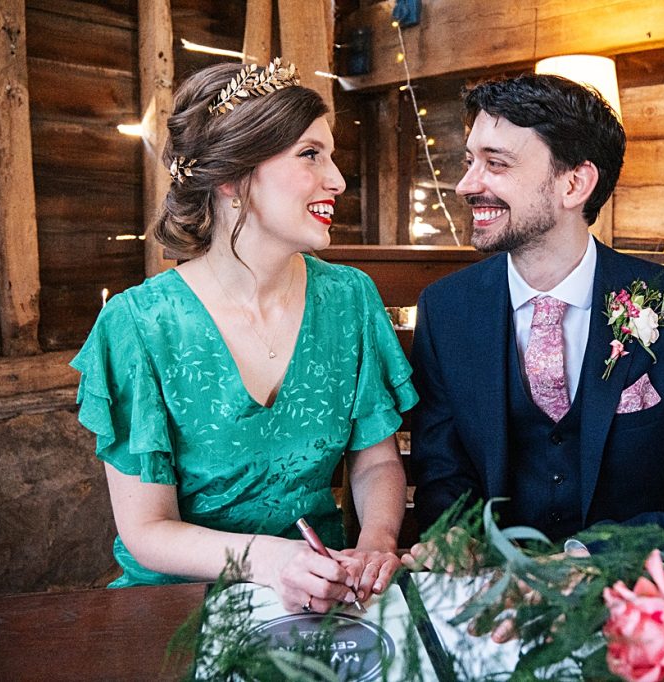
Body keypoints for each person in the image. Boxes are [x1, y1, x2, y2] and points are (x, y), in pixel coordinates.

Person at [71, 59, 417, 613]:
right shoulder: (139, 326)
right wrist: (274, 561)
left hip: (323, 594)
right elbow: (147, 529)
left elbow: (375, 461)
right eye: (310, 155)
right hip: (178, 607)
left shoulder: (350, 299)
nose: (338, 180)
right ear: (232, 177)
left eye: (331, 155)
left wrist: (375, 546)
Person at [408, 73, 664, 560]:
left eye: (495, 164)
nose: (466, 185)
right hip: (492, 594)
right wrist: (456, 540)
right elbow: (442, 475)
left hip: (630, 597)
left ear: (574, 183)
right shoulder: (446, 310)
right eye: (470, 162)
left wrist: (596, 555)